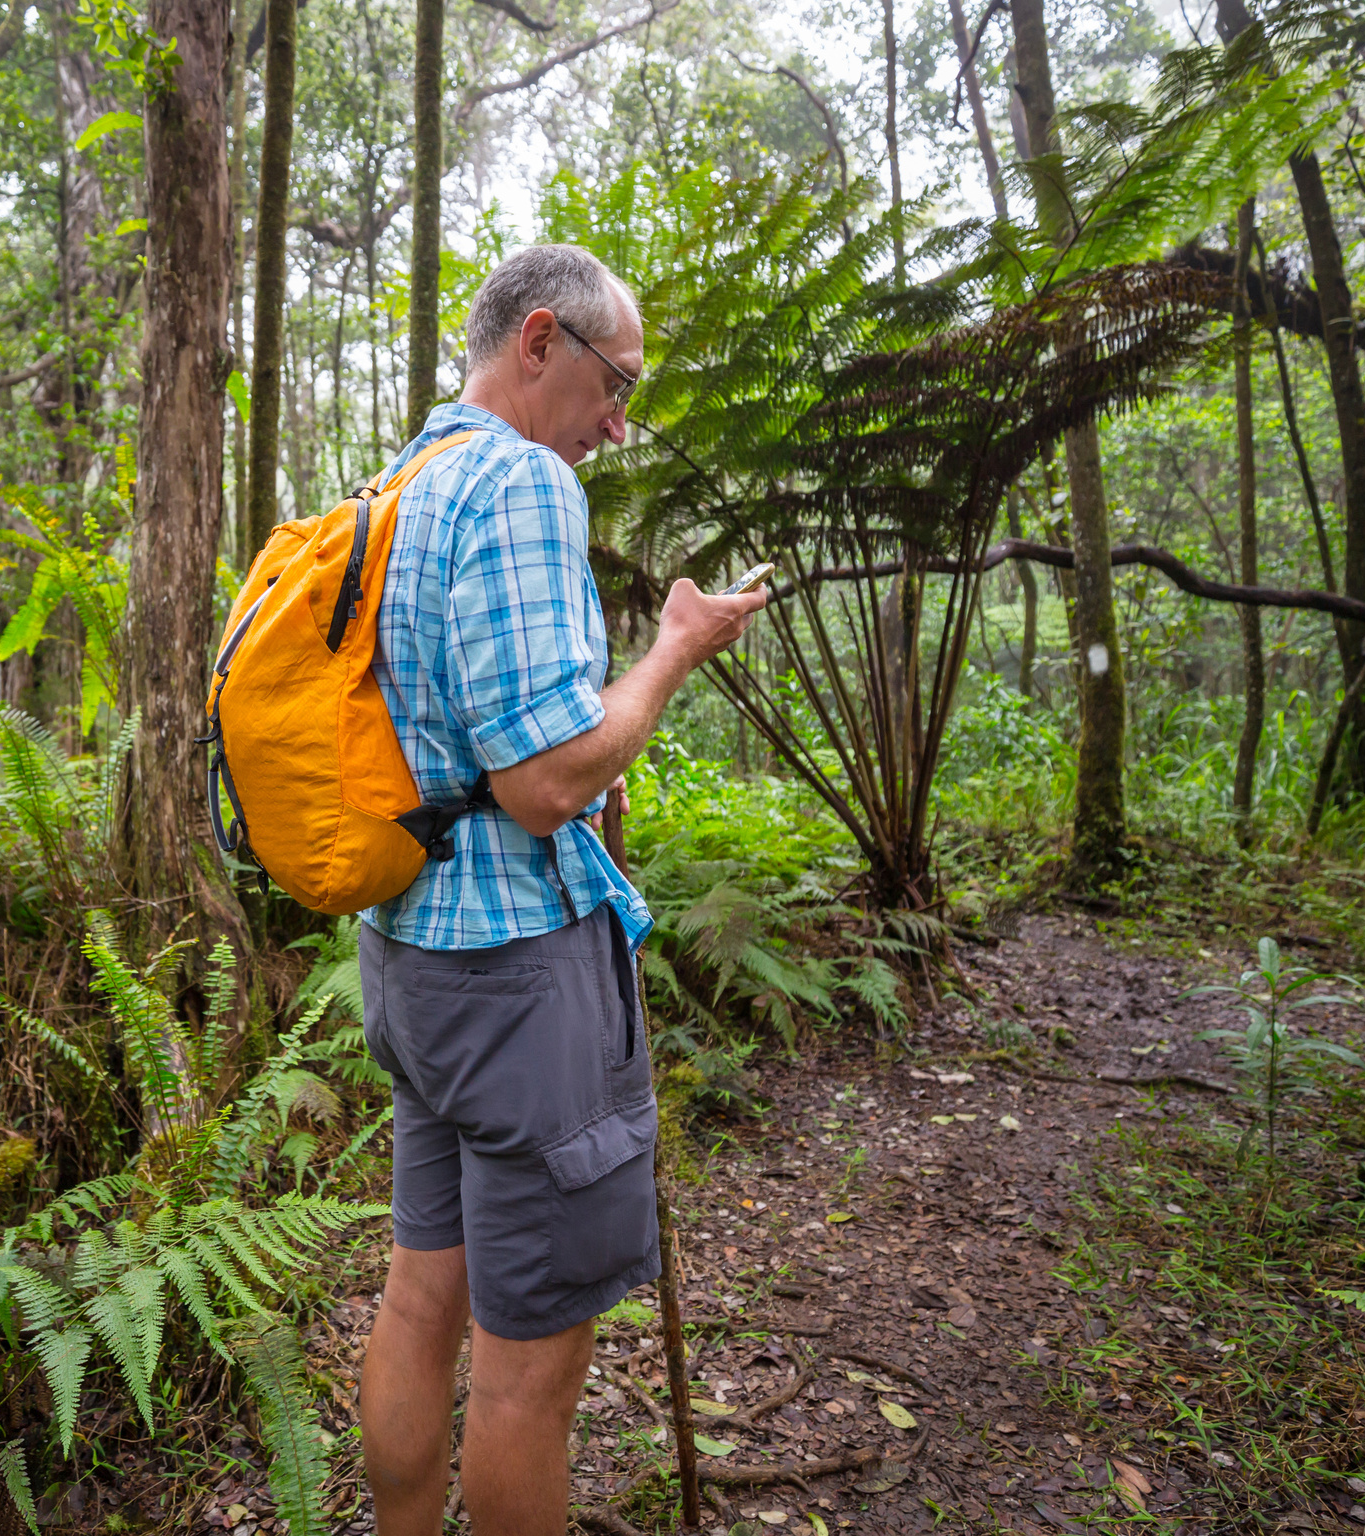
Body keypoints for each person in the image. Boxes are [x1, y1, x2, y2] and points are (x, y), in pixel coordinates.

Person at [356, 243, 768, 1536]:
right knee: (530, 1378)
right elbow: (541, 784)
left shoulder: (395, 482)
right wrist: (669, 656)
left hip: (411, 959)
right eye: (616, 384)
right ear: (542, 344)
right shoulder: (523, 484)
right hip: (521, 983)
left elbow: (459, 741)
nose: (618, 422)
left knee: (421, 1298)